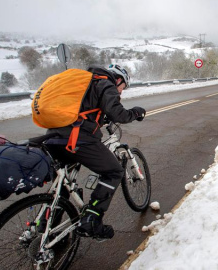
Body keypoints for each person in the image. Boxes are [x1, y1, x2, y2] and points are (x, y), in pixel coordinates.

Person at [46, 64, 146, 240]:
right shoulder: (105, 83)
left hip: (53, 137)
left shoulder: (84, 83)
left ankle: (48, 230)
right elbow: (119, 114)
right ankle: (92, 219)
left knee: (63, 186)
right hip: (77, 138)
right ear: (118, 79)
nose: (121, 92)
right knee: (114, 171)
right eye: (123, 87)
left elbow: (85, 110)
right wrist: (136, 112)